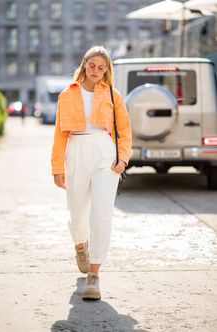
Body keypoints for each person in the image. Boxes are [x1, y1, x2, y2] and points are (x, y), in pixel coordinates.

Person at [51, 46, 132, 300]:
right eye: (92, 65)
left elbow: (124, 130)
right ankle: (80, 244)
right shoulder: (67, 94)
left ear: (107, 69)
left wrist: (123, 159)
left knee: (101, 213)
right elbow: (59, 134)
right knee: (77, 215)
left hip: (105, 153)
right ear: (84, 64)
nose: (97, 71)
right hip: (76, 150)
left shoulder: (112, 94)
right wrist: (57, 168)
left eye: (102, 67)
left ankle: (94, 275)